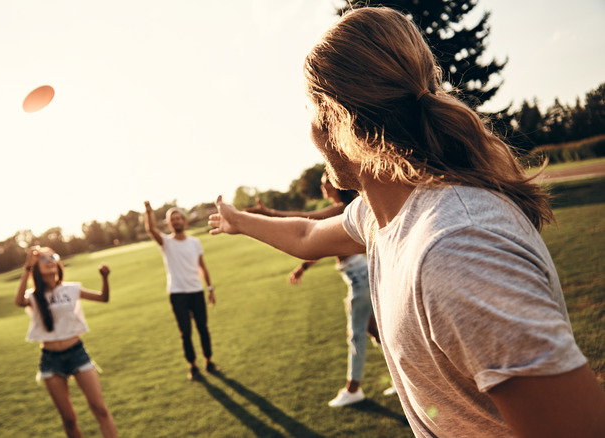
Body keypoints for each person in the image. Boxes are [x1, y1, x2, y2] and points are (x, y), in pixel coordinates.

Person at [208, 6, 605, 437]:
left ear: (334, 117)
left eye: (308, 108)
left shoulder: (455, 248)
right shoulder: (383, 216)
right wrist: (238, 220)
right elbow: (306, 235)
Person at [246, 172, 394, 407]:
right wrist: (303, 267)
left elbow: (306, 222)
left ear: (338, 185)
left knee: (356, 334)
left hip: (360, 279)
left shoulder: (340, 210)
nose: (324, 187)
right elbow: (322, 244)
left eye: (326, 183)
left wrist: (268, 214)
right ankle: (399, 377)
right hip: (359, 276)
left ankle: (353, 389)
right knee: (375, 331)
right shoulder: (344, 209)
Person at [14, 246, 118, 438]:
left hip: (78, 353)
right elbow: (19, 301)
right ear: (36, 268)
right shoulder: (34, 296)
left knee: (100, 409)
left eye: (53, 257)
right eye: (43, 259)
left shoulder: (71, 289)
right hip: (51, 360)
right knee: (69, 420)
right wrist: (26, 268)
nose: (50, 260)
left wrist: (104, 278)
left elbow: (103, 298)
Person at [144, 201, 218, 381]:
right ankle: (193, 366)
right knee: (186, 332)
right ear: (169, 224)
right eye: (172, 220)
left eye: (178, 218)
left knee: (203, 328)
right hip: (177, 294)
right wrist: (148, 212)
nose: (176, 221)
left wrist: (209, 288)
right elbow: (151, 230)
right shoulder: (166, 243)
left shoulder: (195, 242)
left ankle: (209, 361)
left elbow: (202, 266)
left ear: (184, 221)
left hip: (196, 291)